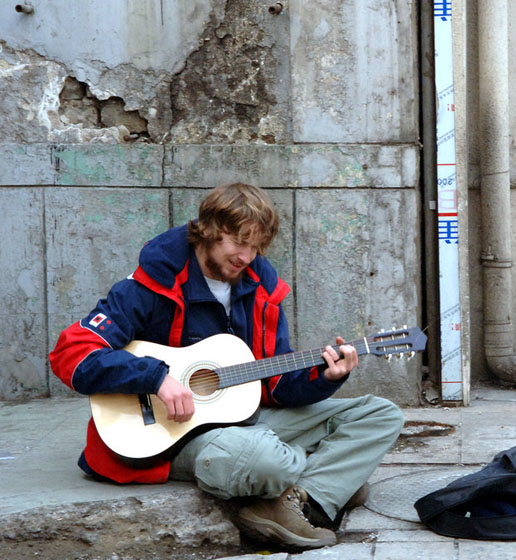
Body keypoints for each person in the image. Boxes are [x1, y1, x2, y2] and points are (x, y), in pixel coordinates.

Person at [49, 183, 405, 549]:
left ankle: (297, 498)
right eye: (238, 242)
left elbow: (275, 384)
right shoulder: (151, 284)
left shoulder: (260, 289)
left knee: (380, 415)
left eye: (256, 246)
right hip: (170, 436)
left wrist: (324, 376)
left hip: (243, 420)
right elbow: (71, 353)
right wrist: (155, 378)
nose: (247, 257)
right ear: (209, 230)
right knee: (266, 459)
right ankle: (325, 480)